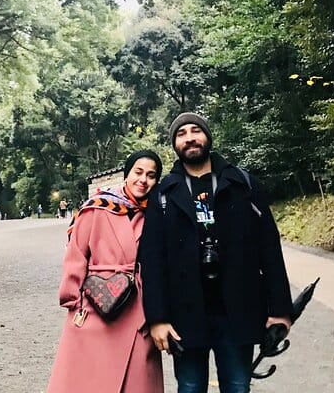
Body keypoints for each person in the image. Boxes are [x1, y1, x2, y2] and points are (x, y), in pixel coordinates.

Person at [139, 113, 293, 393]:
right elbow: (152, 261)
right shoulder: (163, 194)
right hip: (185, 313)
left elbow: (269, 248)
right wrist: (158, 319)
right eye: (181, 134)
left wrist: (281, 311)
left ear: (207, 136)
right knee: (190, 387)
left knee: (237, 386)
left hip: (238, 308)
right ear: (174, 144)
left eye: (195, 130)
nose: (189, 138)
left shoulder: (242, 184)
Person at [47, 150, 164, 393]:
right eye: (138, 172)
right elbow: (76, 254)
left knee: (137, 379)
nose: (143, 180)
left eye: (151, 175)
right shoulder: (97, 207)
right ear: (127, 174)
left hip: (138, 306)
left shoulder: (156, 213)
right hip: (96, 301)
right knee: (88, 379)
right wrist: (73, 299)